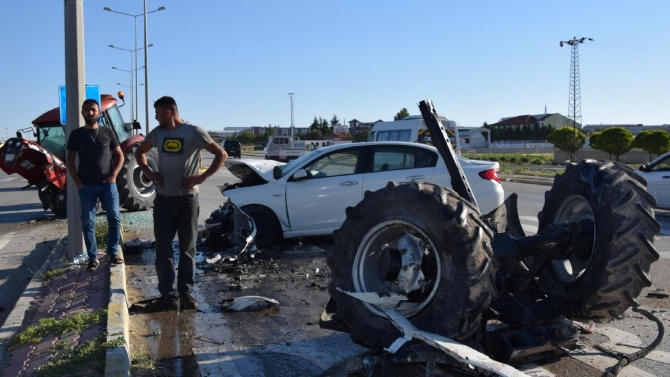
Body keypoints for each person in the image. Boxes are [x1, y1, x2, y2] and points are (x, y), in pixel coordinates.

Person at [136, 96, 227, 311]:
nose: (156, 117)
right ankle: (168, 297)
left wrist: (200, 178)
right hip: (163, 201)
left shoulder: (194, 132)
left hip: (187, 199)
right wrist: (149, 172)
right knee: (163, 249)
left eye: (157, 113)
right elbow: (140, 152)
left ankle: (185, 295)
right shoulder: (158, 133)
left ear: (168, 112)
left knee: (188, 249)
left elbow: (221, 154)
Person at [66, 99, 124, 272]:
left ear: (99, 113)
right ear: (83, 112)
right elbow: (69, 161)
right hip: (87, 187)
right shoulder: (76, 135)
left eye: (93, 110)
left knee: (114, 217)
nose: (90, 113)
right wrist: (78, 183)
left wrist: (114, 175)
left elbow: (120, 155)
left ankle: (112, 253)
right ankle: (93, 258)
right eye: (87, 110)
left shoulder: (107, 132)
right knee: (87, 222)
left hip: (108, 185)